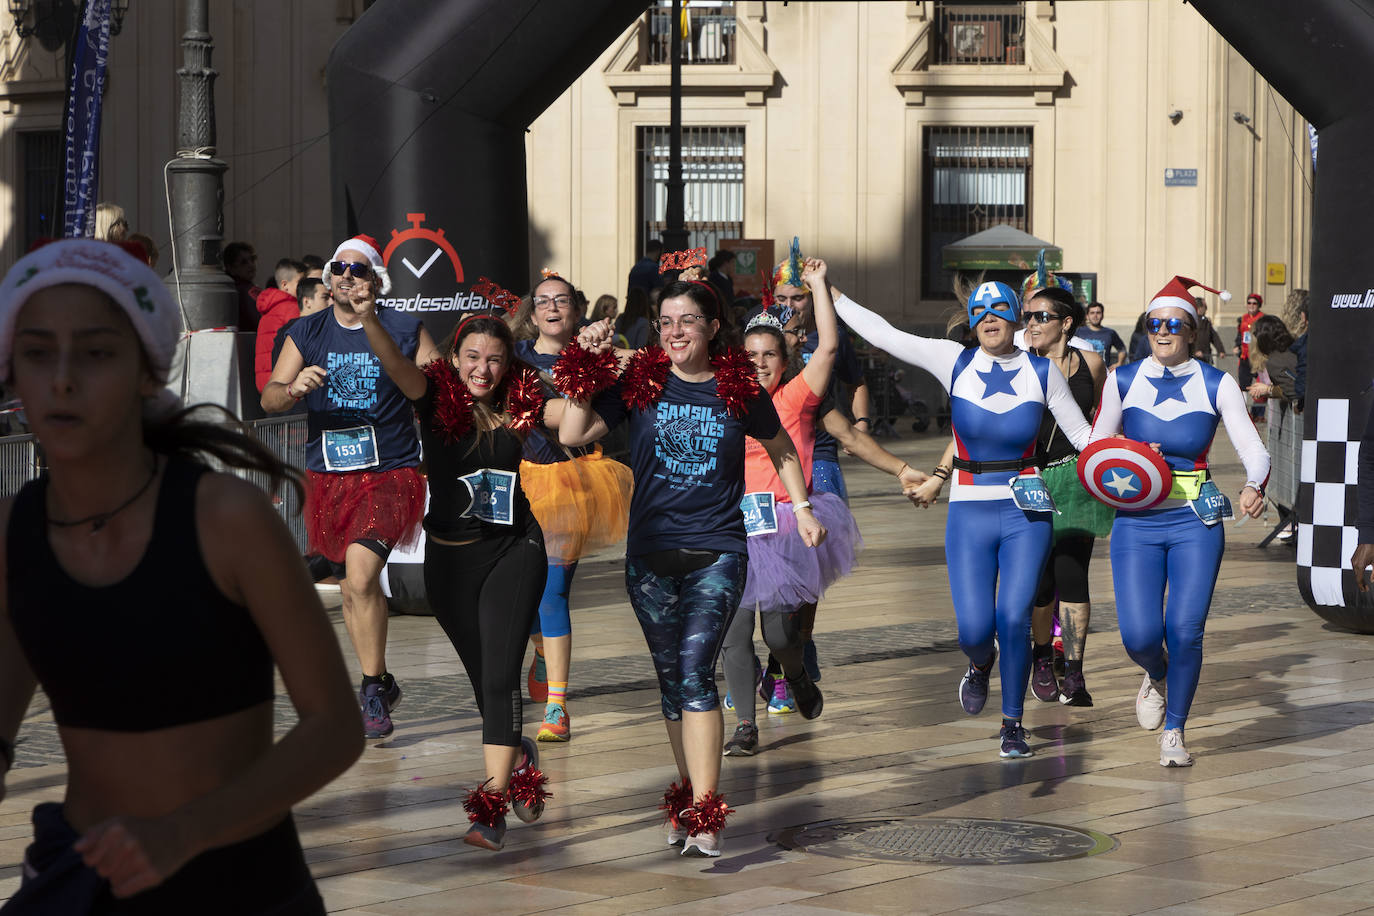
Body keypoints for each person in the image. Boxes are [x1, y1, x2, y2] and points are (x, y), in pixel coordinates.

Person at [0, 238, 362, 912]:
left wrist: (181, 834)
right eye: (38, 352)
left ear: (148, 371)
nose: (63, 379)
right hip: (82, 878)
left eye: (98, 352)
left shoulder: (225, 517)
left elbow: (335, 727)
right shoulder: (13, 532)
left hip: (239, 884)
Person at [556, 277, 823, 857]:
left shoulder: (735, 388)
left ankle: (706, 810)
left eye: (687, 321)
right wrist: (582, 366)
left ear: (710, 327)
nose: (675, 332)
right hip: (650, 556)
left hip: (717, 552)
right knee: (672, 683)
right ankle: (687, 798)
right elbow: (572, 433)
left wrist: (801, 508)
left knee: (698, 672)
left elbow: (779, 447)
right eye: (666, 322)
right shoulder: (639, 382)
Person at [834, 280, 1092, 758]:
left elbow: (1083, 436)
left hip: (1026, 510)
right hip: (970, 509)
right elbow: (887, 334)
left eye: (999, 308)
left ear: (1016, 316)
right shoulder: (953, 360)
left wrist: (1133, 458)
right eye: (979, 310)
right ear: (971, 319)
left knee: (1013, 618)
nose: (989, 317)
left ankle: (1012, 724)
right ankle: (979, 664)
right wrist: (832, 296)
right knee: (975, 631)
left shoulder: (1042, 371)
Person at [353, 301, 553, 851]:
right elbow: (397, 367)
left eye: (494, 359)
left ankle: (490, 809)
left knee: (499, 678)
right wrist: (370, 318)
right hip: (448, 561)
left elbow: (578, 423)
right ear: (455, 358)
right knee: (483, 687)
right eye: (472, 357)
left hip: (513, 550)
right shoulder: (434, 396)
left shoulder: (524, 401)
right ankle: (519, 757)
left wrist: (592, 370)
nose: (483, 369)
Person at [262, 234, 439, 740]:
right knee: (348, 586)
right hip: (329, 477)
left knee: (361, 577)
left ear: (376, 281)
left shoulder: (405, 328)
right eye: (338, 267)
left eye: (358, 270)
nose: (345, 276)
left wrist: (372, 325)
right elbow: (270, 397)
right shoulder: (306, 331)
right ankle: (378, 679)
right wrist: (292, 389)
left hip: (390, 472)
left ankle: (369, 690)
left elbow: (426, 390)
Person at [1089, 276, 1268, 767]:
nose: (1162, 332)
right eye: (1154, 324)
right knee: (1140, 636)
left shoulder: (1217, 381)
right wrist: (1125, 455)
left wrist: (1254, 484)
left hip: (1195, 519)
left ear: (1192, 330)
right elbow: (1096, 446)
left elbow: (1252, 447)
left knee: (1185, 630)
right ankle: (1156, 672)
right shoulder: (1122, 379)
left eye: (1173, 324)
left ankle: (1175, 730)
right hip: (1136, 519)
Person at [720, 258, 861, 755]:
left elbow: (828, 346)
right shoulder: (726, 400)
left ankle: (796, 674)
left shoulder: (798, 396)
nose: (759, 363)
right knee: (734, 634)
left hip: (783, 524)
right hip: (734, 527)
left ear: (784, 360)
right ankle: (744, 724)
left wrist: (820, 284)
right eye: (751, 354)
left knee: (780, 634)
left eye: (768, 355)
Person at [510, 273, 633, 744]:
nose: (552, 308)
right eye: (543, 301)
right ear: (532, 310)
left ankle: (558, 705)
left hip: (571, 485)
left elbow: (584, 420)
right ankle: (541, 649)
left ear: (577, 309)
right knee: (522, 594)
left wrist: (600, 358)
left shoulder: (601, 357)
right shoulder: (516, 359)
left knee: (552, 591)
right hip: (519, 481)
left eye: (562, 300)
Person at [769, 242, 870, 691]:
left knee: (809, 559)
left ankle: (798, 650)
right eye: (784, 297)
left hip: (822, 452)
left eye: (799, 296)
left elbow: (854, 380)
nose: (791, 305)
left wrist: (861, 424)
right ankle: (780, 654)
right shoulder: (764, 339)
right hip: (769, 458)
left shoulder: (832, 337)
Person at [254, 259, 307, 392]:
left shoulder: (269, 308)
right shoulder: (291, 308)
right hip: (283, 382)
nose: (304, 288)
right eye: (301, 283)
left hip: (266, 380)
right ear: (285, 285)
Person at [272, 277, 330, 371]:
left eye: (332, 298)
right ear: (307, 302)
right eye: (325, 297)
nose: (331, 303)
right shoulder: (293, 332)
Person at [1235, 293, 1265, 419]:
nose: (1251, 306)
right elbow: (1239, 335)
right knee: (1243, 386)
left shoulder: (1262, 318)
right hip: (1244, 356)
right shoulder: (1242, 318)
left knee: (1261, 384)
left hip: (1258, 357)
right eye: (1249, 303)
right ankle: (1244, 413)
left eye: (1254, 303)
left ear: (1258, 305)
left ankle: (1259, 414)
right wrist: (1237, 345)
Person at [223, 241, 261, 332]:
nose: (251, 265)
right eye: (244, 262)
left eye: (252, 260)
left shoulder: (226, 288)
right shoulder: (248, 290)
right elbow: (259, 321)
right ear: (231, 268)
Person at [1074, 302, 1128, 366]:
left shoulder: (1110, 333)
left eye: (1098, 313)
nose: (1095, 316)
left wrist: (1119, 363)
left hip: (1103, 372)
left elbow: (1122, 349)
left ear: (1102, 315)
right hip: (1083, 371)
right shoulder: (1079, 332)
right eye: (1092, 313)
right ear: (1087, 316)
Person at [1191, 297, 1227, 364]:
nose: (1206, 309)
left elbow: (1214, 337)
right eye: (1205, 307)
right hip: (1194, 359)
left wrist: (1221, 350)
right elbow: (1188, 339)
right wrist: (1195, 351)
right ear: (1200, 308)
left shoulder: (1206, 321)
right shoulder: (1192, 321)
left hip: (1206, 358)